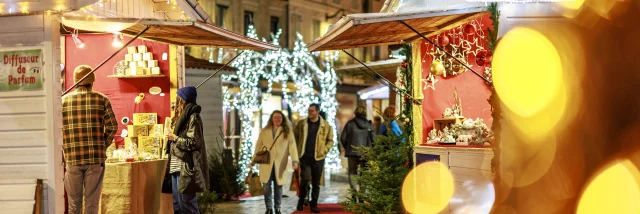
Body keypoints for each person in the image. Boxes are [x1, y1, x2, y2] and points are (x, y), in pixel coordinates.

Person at [62, 65, 118, 214]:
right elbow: (112, 127)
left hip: (72, 158)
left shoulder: (63, 101)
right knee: (91, 205)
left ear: (75, 81)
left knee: (74, 205)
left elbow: (56, 130)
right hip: (95, 159)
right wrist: (102, 145)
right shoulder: (102, 99)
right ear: (92, 81)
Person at [162, 86, 209, 214]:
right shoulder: (180, 117)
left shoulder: (194, 117)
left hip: (185, 166)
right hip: (176, 165)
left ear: (183, 99)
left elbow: (194, 143)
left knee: (187, 204)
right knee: (178, 205)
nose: (175, 102)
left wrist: (175, 138)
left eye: (178, 98)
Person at [251, 111, 299, 214]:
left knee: (279, 186)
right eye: (275, 118)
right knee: (266, 187)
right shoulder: (265, 131)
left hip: (280, 162)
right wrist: (254, 159)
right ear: (271, 119)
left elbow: (292, 146)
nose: (277, 119)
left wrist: (295, 160)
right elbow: (258, 145)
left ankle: (277, 207)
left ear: (283, 119)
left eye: (279, 118)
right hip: (266, 162)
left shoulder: (287, 131)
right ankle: (268, 208)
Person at [294, 103, 334, 213]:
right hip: (305, 157)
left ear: (317, 111)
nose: (310, 113)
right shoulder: (302, 124)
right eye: (309, 111)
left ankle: (314, 204)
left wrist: (324, 150)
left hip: (318, 158)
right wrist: (296, 152)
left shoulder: (325, 125)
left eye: (312, 111)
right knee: (305, 179)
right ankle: (301, 200)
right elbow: (295, 137)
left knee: (316, 183)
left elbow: (330, 141)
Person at [340, 106, 375, 200]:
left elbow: (343, 138)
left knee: (352, 173)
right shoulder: (369, 124)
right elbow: (374, 140)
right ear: (365, 113)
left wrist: (348, 147)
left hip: (352, 154)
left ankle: (354, 194)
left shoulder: (350, 124)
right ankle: (362, 196)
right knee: (364, 174)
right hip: (366, 153)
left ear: (355, 113)